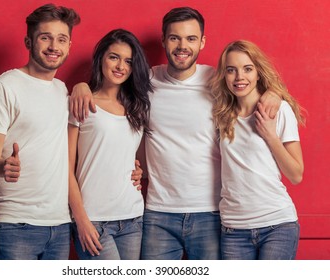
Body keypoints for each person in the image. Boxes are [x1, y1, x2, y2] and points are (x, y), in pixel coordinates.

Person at [69, 7, 280, 260]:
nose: (182, 46)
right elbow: (110, 94)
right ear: (164, 41)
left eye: (191, 38)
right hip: (158, 215)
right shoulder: (145, 82)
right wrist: (81, 86)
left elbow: (251, 83)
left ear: (202, 42)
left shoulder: (218, 81)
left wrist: (274, 93)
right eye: (174, 38)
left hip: (209, 213)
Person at [0, 4, 80, 260]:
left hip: (59, 222)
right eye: (45, 37)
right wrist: (2, 166)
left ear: (69, 46)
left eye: (61, 39)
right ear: (28, 41)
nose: (54, 46)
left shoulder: (62, 91)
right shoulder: (5, 86)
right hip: (16, 222)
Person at [210, 40, 305, 260]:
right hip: (233, 229)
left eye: (247, 69)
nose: (239, 77)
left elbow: (296, 174)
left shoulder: (278, 110)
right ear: (224, 75)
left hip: (277, 225)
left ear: (258, 73)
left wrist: (270, 135)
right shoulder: (221, 115)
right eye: (231, 70)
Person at [69, 29, 152, 260]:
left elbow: (130, 156)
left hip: (133, 217)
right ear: (101, 59)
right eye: (114, 57)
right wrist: (82, 220)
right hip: (94, 219)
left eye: (128, 61)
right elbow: (65, 167)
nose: (120, 66)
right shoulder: (82, 102)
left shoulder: (138, 108)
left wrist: (139, 169)